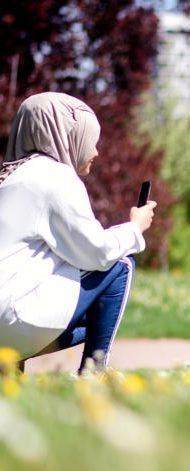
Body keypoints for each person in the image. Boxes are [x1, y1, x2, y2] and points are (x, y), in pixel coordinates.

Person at [0, 92, 157, 372]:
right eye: (90, 140)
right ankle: (94, 373)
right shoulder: (55, 177)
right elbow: (97, 253)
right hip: (12, 321)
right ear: (67, 134)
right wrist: (135, 228)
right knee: (120, 265)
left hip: (6, 314)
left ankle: (9, 374)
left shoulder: (8, 177)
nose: (96, 152)